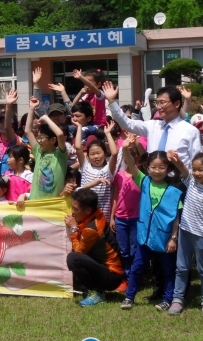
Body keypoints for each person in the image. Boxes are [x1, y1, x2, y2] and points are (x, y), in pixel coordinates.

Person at [119, 146, 183, 312]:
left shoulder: (174, 191)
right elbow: (131, 165)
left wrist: (173, 238)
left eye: (161, 167)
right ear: (147, 168)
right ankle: (129, 297)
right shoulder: (144, 181)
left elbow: (176, 218)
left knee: (168, 271)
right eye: (153, 167)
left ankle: (167, 299)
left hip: (165, 238)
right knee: (137, 267)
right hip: (144, 237)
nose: (157, 171)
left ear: (168, 169)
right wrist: (126, 148)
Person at [168, 151, 203, 317]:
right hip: (185, 232)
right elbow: (182, 168)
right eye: (194, 169)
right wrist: (177, 160)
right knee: (181, 268)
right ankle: (177, 299)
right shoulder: (191, 182)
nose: (196, 173)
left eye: (201, 170)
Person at [102, 82, 202, 170]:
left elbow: (197, 162)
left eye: (162, 102)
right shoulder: (152, 126)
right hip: (152, 183)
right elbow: (127, 123)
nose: (158, 107)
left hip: (178, 184)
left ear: (176, 104)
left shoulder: (190, 131)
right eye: (157, 103)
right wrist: (111, 101)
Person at [65, 188, 125, 306]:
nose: (72, 212)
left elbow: (79, 250)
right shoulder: (96, 213)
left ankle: (98, 292)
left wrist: (73, 228)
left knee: (73, 258)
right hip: (107, 268)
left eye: (76, 209)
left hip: (112, 275)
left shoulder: (91, 229)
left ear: (88, 210)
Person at [110, 134, 143, 290]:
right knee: (124, 250)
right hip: (120, 218)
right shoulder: (119, 176)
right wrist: (112, 218)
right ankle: (127, 276)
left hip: (136, 219)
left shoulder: (142, 177)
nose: (131, 156)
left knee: (135, 249)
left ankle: (136, 276)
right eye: (128, 153)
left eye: (134, 153)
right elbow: (115, 197)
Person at [23, 94, 67, 201]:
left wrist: (46, 118)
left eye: (42, 137)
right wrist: (32, 108)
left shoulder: (60, 155)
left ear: (53, 140)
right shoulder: (38, 152)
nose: (39, 140)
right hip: (35, 202)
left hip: (52, 206)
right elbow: (27, 131)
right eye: (38, 137)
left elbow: (60, 134)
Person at [74, 121, 118, 221]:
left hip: (102, 215)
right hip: (84, 213)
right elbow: (78, 148)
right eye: (92, 154)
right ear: (88, 156)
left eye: (98, 153)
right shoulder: (85, 166)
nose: (96, 156)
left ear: (105, 153)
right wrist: (80, 128)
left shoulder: (107, 169)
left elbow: (114, 153)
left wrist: (108, 133)